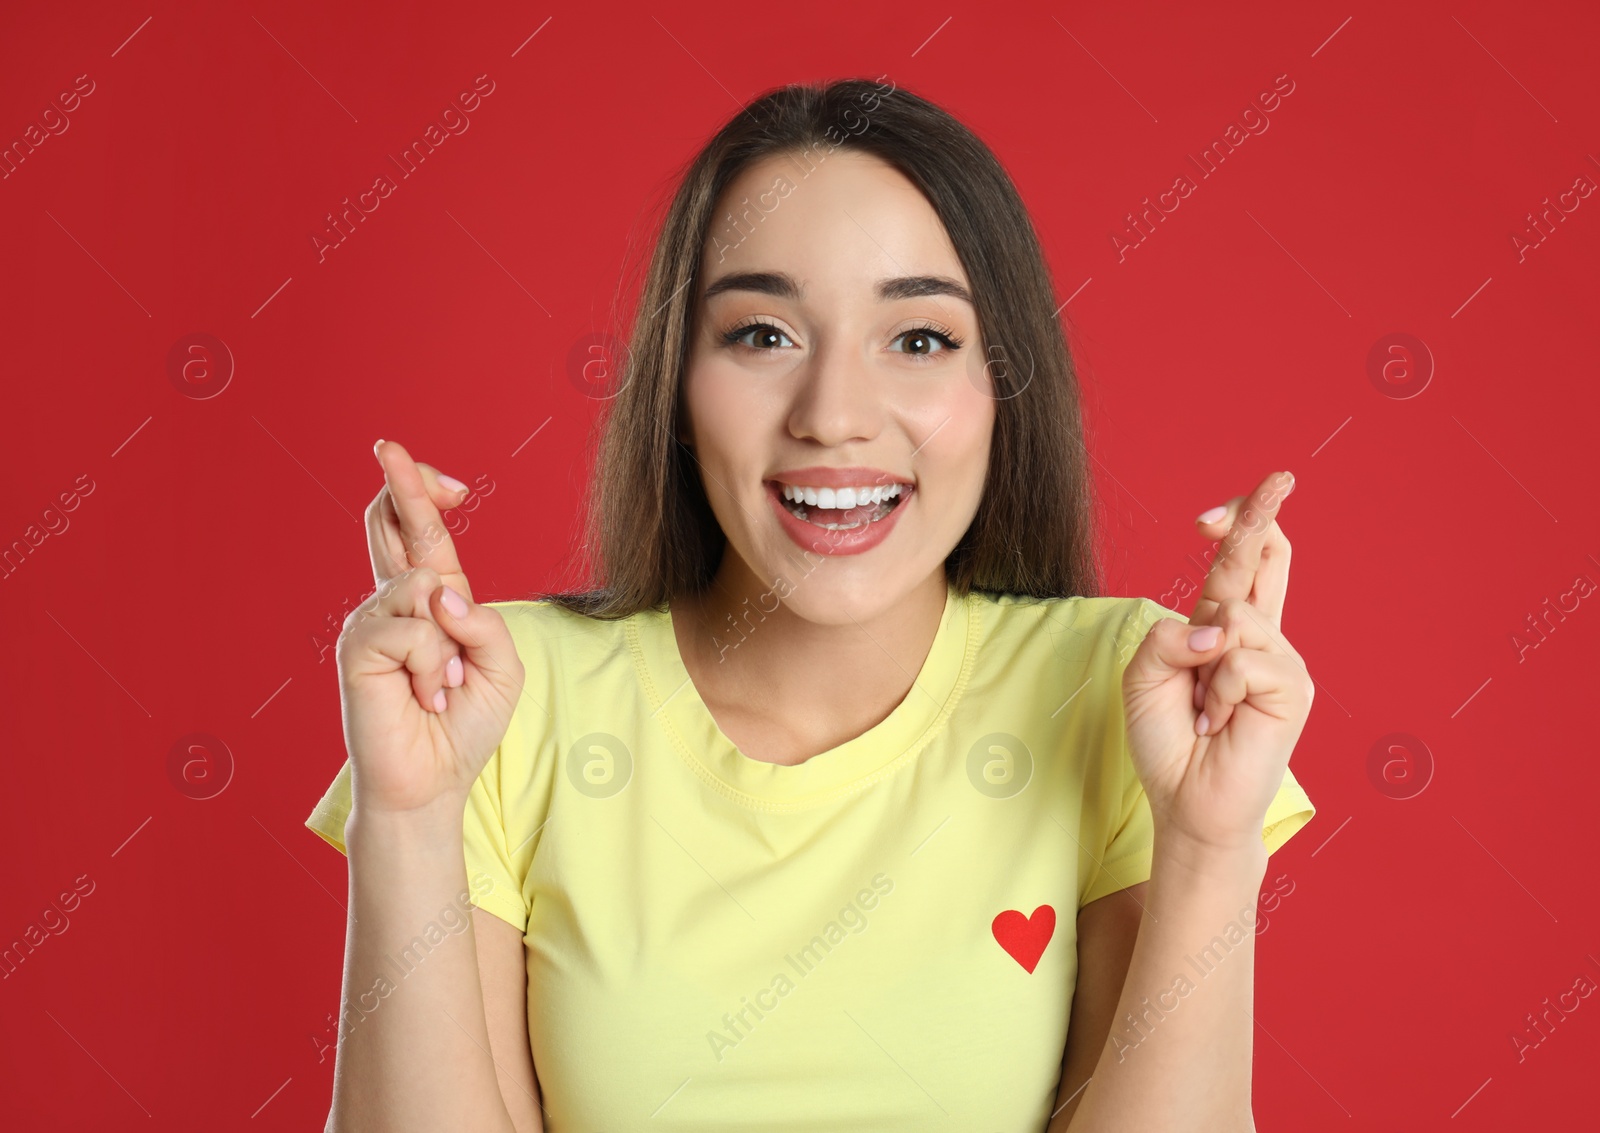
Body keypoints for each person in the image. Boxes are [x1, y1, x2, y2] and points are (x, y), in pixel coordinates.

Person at [304, 76, 1316, 1133]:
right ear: (678, 389)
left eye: (919, 338)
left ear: (1005, 388)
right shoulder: (500, 697)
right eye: (762, 335)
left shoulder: (1116, 692)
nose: (833, 416)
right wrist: (411, 819)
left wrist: (1206, 843)